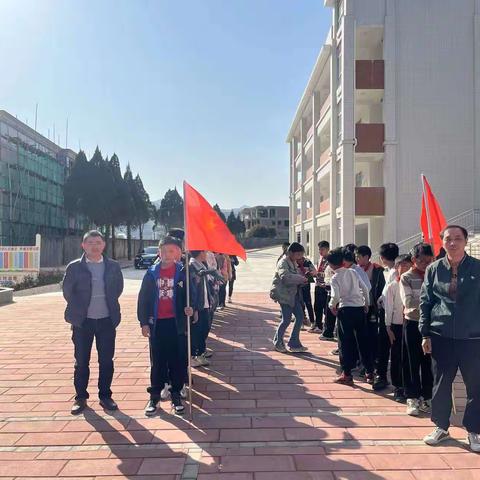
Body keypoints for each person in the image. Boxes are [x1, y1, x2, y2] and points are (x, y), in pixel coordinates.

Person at [420, 225, 480, 452]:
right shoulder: (434, 269)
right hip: (441, 335)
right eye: (448, 239)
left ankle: (474, 431)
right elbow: (426, 302)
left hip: (473, 337)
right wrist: (425, 333)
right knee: (441, 384)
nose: (452, 243)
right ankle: (441, 427)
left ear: (465, 242)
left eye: (457, 239)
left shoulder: (477, 267)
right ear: (442, 242)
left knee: (475, 386)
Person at [62, 230, 124, 415]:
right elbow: (67, 292)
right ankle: (80, 397)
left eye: (98, 242)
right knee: (81, 361)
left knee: (106, 360)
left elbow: (117, 289)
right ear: (83, 245)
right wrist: (80, 309)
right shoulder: (74, 267)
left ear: (103, 245)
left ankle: (105, 395)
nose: (94, 246)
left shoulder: (112, 266)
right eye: (90, 243)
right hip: (83, 322)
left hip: (106, 321)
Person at [137, 236, 194, 416]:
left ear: (178, 252)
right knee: (158, 361)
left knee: (177, 360)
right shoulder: (151, 273)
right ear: (159, 252)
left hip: (176, 324)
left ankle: (176, 394)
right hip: (157, 324)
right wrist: (144, 322)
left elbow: (191, 295)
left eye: (172, 251)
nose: (168, 254)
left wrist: (191, 309)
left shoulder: (183, 272)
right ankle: (154, 396)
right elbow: (143, 300)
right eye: (164, 251)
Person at [327, 247, 374, 385]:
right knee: (363, 341)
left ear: (331, 265)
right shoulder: (353, 272)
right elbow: (365, 288)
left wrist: (332, 306)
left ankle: (347, 374)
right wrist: (366, 303)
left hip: (345, 310)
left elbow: (335, 296)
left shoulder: (335, 277)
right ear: (343, 261)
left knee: (345, 343)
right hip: (359, 309)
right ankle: (369, 372)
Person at [399, 242, 434, 417]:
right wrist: (429, 304)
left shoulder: (435, 275)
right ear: (414, 259)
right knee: (412, 361)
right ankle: (412, 396)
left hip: (432, 325)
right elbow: (408, 302)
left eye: (430, 260)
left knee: (428, 361)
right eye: (423, 261)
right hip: (412, 322)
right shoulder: (406, 277)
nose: (427, 264)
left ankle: (427, 396)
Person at [356, 245, 388, 391]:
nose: (358, 258)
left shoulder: (377, 270)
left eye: (360, 256)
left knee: (372, 338)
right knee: (360, 338)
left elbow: (380, 289)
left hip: (373, 310)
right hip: (358, 308)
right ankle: (363, 365)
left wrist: (377, 307)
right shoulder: (354, 270)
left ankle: (372, 365)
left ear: (367, 257)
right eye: (356, 256)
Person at [270, 242, 309, 353]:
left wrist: (304, 277)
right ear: (291, 253)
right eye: (298, 254)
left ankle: (294, 342)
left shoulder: (293, 262)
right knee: (286, 320)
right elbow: (285, 277)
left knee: (300, 316)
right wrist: (301, 279)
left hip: (293, 294)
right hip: (284, 295)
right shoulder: (283, 262)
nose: (300, 257)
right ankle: (278, 342)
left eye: (301, 255)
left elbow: (296, 277)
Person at [384, 254, 413, 402]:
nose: (407, 269)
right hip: (396, 325)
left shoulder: (414, 283)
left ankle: (411, 387)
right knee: (396, 356)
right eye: (404, 266)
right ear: (397, 267)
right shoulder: (392, 286)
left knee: (410, 357)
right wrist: (388, 327)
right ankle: (398, 386)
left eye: (409, 266)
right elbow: (388, 309)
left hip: (412, 324)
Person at [189, 250, 224, 367]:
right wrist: (195, 308)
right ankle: (194, 355)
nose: (206, 255)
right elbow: (194, 283)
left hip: (205, 302)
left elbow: (207, 281)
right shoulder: (191, 266)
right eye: (204, 252)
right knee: (197, 331)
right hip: (198, 305)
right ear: (200, 254)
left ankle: (201, 352)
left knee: (205, 328)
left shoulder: (202, 264)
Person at [312, 241, 335, 336]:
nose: (320, 251)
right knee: (317, 307)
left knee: (326, 309)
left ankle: (327, 327)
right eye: (319, 249)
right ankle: (318, 326)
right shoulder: (320, 259)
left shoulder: (330, 260)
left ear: (327, 249)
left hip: (326, 287)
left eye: (322, 249)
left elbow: (329, 274)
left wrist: (317, 274)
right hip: (318, 285)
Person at [297, 255, 317, 328]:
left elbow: (315, 272)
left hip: (306, 286)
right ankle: (301, 322)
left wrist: (310, 273)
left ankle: (312, 321)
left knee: (308, 304)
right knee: (300, 304)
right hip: (297, 287)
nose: (299, 261)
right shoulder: (294, 262)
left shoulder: (307, 262)